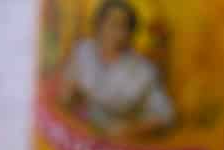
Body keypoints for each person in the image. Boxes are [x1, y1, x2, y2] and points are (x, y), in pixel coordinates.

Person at [57, 0, 176, 137]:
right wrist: (68, 95)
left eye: (122, 26)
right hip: (85, 132)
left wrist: (130, 129)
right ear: (99, 25)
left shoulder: (143, 70)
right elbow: (67, 92)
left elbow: (166, 115)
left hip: (123, 142)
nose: (115, 32)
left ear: (130, 32)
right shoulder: (84, 50)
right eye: (110, 23)